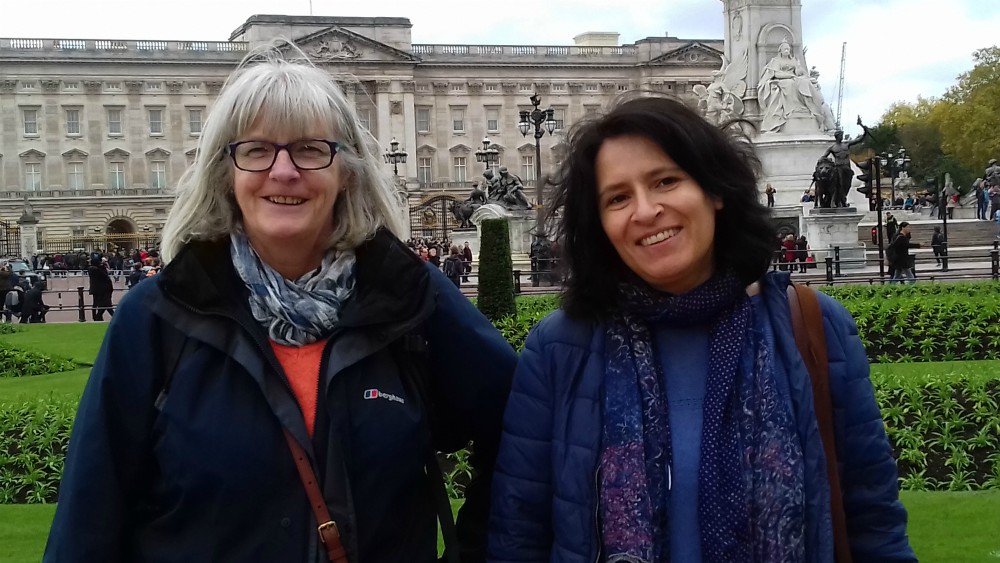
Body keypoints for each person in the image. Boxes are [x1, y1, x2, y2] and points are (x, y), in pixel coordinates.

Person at [45, 44, 516, 563]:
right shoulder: (156, 314)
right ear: (227, 172)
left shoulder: (411, 297)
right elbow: (90, 514)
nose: (284, 171)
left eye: (312, 149)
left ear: (348, 173)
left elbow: (524, 428)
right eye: (257, 149)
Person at [487, 96, 915, 562]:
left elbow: (873, 522)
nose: (646, 211)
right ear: (600, 224)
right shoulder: (559, 347)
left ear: (715, 190)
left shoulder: (814, 326)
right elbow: (518, 532)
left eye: (666, 181)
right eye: (618, 198)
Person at [87, 256, 115, 321]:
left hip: (97, 289)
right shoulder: (96, 269)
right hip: (101, 290)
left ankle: (97, 317)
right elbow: (104, 275)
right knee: (106, 304)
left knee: (98, 304)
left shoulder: (92, 268)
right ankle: (98, 317)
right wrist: (104, 265)